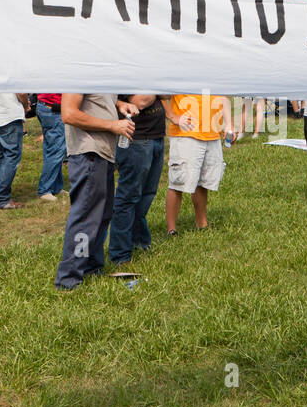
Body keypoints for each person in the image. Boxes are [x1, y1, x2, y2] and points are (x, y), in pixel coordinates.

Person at [54, 93, 134, 290]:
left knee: (102, 215)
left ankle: (92, 268)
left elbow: (98, 99)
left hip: (104, 153)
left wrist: (119, 104)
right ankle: (69, 279)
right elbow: (69, 114)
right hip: (88, 153)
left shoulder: (98, 72)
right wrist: (113, 125)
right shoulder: (80, 71)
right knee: (86, 217)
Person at [163, 92, 234, 234]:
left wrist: (229, 124)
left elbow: (223, 96)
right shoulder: (179, 70)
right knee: (178, 181)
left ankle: (201, 223)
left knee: (203, 181)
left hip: (212, 133)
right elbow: (160, 95)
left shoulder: (215, 72)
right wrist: (173, 116)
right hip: (186, 134)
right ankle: (171, 229)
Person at [108, 94, 165, 264]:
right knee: (128, 197)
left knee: (147, 194)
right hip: (136, 139)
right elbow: (139, 102)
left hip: (156, 136)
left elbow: (168, 94)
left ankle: (138, 241)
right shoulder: (127, 70)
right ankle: (120, 254)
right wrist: (158, 87)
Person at [0, 92, 29, 210]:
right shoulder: (14, 72)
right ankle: (0, 198)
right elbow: (21, 92)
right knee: (11, 155)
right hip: (9, 114)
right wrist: (26, 106)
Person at [34, 92, 67, 201]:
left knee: (53, 149)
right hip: (53, 110)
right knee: (56, 152)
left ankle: (56, 186)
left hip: (45, 106)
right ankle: (45, 189)